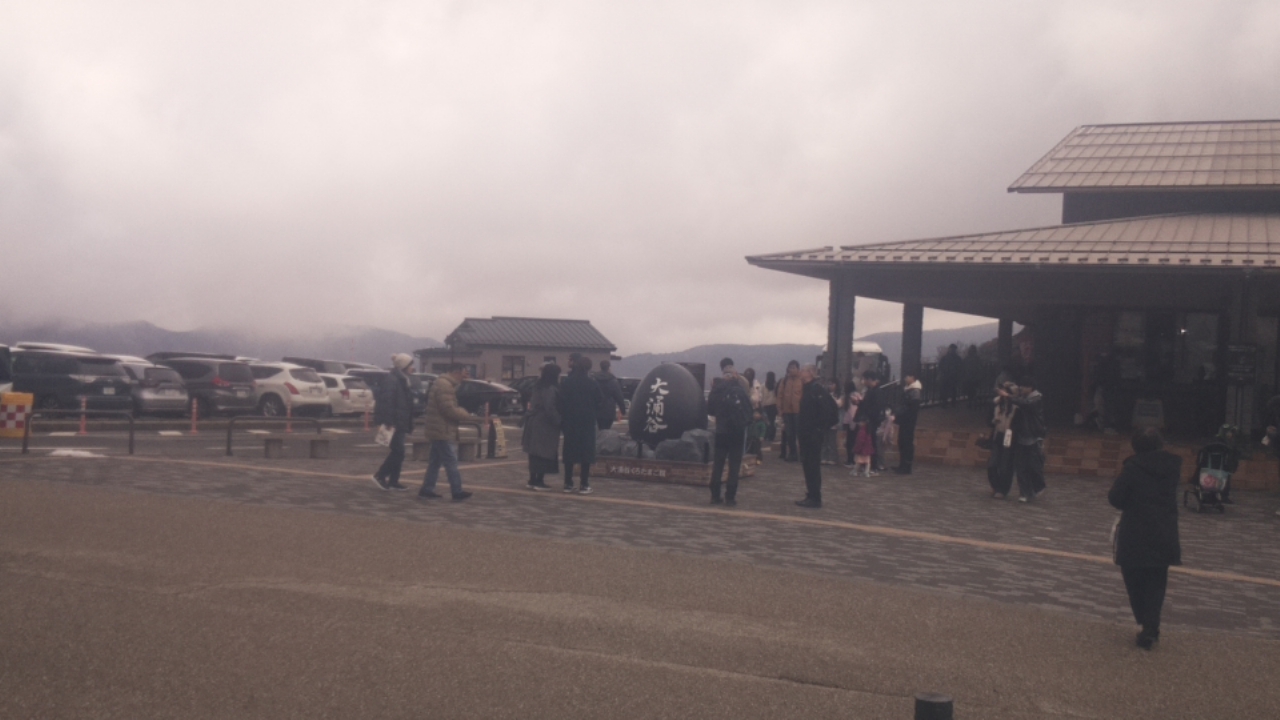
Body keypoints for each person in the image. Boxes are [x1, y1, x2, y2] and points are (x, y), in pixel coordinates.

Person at [1109, 427, 1182, 650]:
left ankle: (1144, 622)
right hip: (1164, 531)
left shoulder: (1132, 468)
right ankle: (1151, 626)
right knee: (1156, 581)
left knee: (1134, 579)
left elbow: (1116, 498)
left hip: (1135, 532)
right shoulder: (1172, 467)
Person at [419, 363, 480, 501]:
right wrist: (464, 414)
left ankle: (427, 489)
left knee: (435, 462)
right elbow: (448, 409)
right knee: (451, 461)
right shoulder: (445, 386)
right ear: (456, 372)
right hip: (442, 429)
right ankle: (457, 491)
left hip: (438, 428)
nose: (465, 376)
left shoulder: (443, 383)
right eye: (464, 373)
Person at [795, 364, 839, 509]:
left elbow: (831, 411)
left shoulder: (817, 390)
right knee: (807, 465)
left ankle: (815, 497)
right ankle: (811, 494)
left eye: (803, 370)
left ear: (810, 373)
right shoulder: (808, 389)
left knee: (812, 466)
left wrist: (820, 428)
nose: (800, 373)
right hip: (805, 434)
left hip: (813, 434)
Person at [371, 353, 415, 491]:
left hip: (399, 421)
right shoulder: (393, 380)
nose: (412, 368)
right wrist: (388, 421)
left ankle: (393, 481)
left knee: (399, 451)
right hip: (394, 422)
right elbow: (386, 402)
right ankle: (381, 475)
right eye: (410, 365)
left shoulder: (401, 379)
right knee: (398, 451)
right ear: (404, 366)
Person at [559, 355, 603, 494]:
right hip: (587, 421)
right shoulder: (592, 383)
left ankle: (568, 483)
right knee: (586, 452)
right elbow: (599, 401)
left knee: (569, 451)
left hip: (570, 421)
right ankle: (584, 483)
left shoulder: (567, 382)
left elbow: (560, 401)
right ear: (589, 368)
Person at [707, 375, 752, 506]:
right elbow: (748, 411)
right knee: (734, 465)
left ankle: (715, 495)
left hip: (721, 431)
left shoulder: (718, 391)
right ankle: (730, 497)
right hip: (737, 432)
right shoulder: (740, 390)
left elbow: (710, 410)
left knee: (718, 463)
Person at [1004, 377, 1046, 502]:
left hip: (1033, 436)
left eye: (1024, 386)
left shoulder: (1036, 399)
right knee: (1020, 466)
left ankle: (1037, 487)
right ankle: (1024, 493)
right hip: (1020, 435)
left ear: (1030, 388)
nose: (1021, 388)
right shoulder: (1021, 398)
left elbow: (1026, 404)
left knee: (1033, 465)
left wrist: (1009, 396)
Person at [521, 363, 562, 491]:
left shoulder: (538, 386)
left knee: (534, 452)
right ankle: (539, 481)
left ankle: (532, 480)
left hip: (533, 421)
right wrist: (558, 421)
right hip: (544, 424)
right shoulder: (550, 388)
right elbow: (550, 408)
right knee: (543, 452)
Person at [987, 381, 1018, 498]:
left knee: (1005, 465)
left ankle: (1002, 490)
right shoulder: (996, 403)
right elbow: (988, 420)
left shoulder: (1016, 407)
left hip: (1009, 436)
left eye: (1004, 390)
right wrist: (993, 421)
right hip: (998, 434)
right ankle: (995, 485)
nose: (1001, 392)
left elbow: (1018, 424)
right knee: (992, 464)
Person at [854, 371, 886, 471]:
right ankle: (868, 463)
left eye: (864, 379)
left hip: (873, 421)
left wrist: (867, 418)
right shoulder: (869, 390)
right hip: (868, 420)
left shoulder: (877, 391)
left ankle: (874, 465)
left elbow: (876, 408)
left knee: (873, 442)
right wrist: (859, 403)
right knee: (868, 442)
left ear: (869, 379)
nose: (863, 381)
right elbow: (866, 405)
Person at [894, 372, 922, 474]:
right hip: (904, 420)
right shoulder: (908, 390)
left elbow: (911, 408)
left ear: (912, 377)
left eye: (907, 376)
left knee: (907, 442)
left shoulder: (915, 391)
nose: (905, 378)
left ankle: (906, 466)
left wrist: (901, 413)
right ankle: (902, 464)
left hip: (909, 421)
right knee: (902, 441)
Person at [776, 361, 803, 462]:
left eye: (793, 367)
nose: (791, 370)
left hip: (798, 411)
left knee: (800, 434)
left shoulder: (802, 380)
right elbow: (780, 395)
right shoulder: (785, 380)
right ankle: (792, 454)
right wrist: (779, 409)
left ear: (798, 369)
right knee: (789, 434)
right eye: (790, 367)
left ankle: (802, 454)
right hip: (787, 411)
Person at [591, 359, 628, 431]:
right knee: (606, 429)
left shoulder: (594, 379)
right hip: (609, 410)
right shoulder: (613, 381)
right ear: (608, 367)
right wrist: (623, 409)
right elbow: (619, 396)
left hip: (597, 409)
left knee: (599, 429)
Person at [840, 381, 861, 468]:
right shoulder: (857, 395)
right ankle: (852, 460)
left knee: (851, 442)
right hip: (854, 422)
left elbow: (852, 411)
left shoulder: (851, 397)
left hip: (853, 422)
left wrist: (852, 423)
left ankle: (851, 460)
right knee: (851, 442)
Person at [761, 371, 779, 443]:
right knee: (772, 421)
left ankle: (766, 435)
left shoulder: (763, 385)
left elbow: (761, 396)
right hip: (774, 406)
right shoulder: (776, 386)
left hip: (765, 406)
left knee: (766, 421)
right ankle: (772, 436)